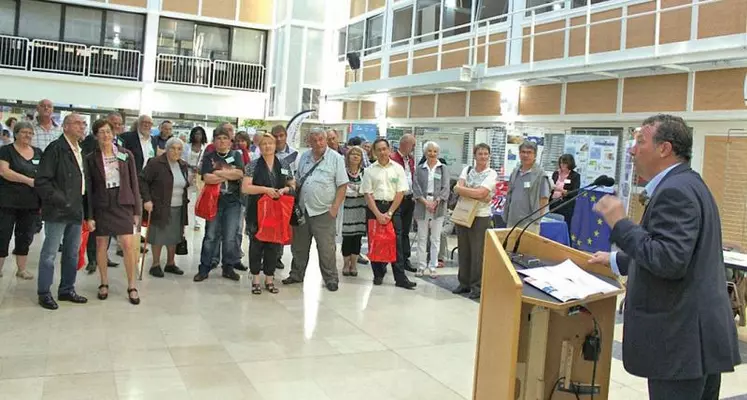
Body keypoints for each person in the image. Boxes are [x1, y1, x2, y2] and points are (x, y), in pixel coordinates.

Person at [589, 115, 740, 400]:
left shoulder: (675, 191)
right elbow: (682, 253)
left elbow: (669, 260)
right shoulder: (689, 183)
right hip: (696, 340)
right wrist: (615, 261)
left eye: (640, 141)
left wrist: (620, 224)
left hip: (679, 342)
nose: (633, 150)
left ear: (664, 148)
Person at [282, 128, 348, 292]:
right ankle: (296, 274)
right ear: (309, 142)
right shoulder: (304, 156)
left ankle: (331, 278)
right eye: (314, 140)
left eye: (321, 140)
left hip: (324, 212)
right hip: (303, 210)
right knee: (299, 246)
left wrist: (334, 208)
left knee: (326, 248)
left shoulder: (336, 159)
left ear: (325, 140)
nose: (318, 143)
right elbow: (297, 180)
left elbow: (342, 185)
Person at [35, 113, 89, 310]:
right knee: (49, 253)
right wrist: (61, 200)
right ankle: (44, 292)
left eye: (83, 124)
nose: (81, 126)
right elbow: (42, 181)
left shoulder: (79, 150)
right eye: (77, 123)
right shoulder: (55, 148)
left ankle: (67, 289)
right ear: (65, 126)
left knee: (72, 253)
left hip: (76, 209)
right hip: (58, 210)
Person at [84, 119, 142, 305]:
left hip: (123, 203)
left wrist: (136, 210)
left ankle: (132, 285)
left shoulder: (126, 155)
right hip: (102, 204)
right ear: (96, 136)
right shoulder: (90, 158)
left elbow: (134, 183)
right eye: (101, 132)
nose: (106, 135)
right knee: (101, 244)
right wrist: (90, 215)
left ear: (113, 133)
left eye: (108, 131)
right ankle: (103, 282)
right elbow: (90, 189)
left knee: (127, 244)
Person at [360, 138, 417, 290]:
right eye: (378, 150)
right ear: (374, 152)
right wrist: (378, 214)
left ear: (389, 149)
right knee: (376, 242)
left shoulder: (397, 168)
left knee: (396, 242)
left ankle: (400, 278)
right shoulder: (369, 170)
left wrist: (390, 212)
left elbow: (401, 191)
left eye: (384, 149)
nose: (382, 152)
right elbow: (368, 194)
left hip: (394, 207)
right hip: (374, 209)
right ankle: (378, 274)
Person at [242, 132, 295, 295]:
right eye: (264, 144)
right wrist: (265, 190)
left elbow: (292, 184)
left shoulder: (284, 164)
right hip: (257, 210)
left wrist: (285, 189)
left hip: (277, 210)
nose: (267, 146)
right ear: (259, 146)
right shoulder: (252, 165)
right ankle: (256, 279)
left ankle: (270, 279)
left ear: (275, 145)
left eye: (270, 143)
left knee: (274, 245)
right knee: (256, 245)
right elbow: (246, 188)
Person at [193, 124, 245, 282]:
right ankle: (204, 268)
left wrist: (218, 172)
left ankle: (228, 268)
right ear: (214, 141)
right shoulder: (209, 156)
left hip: (233, 201)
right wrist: (229, 174)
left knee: (230, 236)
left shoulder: (236, 155)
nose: (222, 141)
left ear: (230, 142)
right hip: (214, 200)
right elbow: (207, 178)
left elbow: (240, 173)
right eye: (218, 139)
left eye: (225, 139)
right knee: (210, 235)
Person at [452, 143, 498, 299]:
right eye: (480, 154)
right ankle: (463, 283)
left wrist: (465, 191)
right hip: (464, 214)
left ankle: (476, 286)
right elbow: (459, 187)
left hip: (481, 216)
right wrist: (476, 194)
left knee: (477, 252)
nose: (483, 157)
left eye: (486, 154)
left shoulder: (491, 174)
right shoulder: (467, 169)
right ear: (475, 155)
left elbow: (482, 192)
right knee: (464, 249)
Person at [141, 137, 189, 278]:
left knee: (174, 236)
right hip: (160, 205)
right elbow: (142, 180)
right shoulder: (155, 163)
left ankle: (170, 263)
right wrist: (147, 199)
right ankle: (155, 264)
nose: (176, 151)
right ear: (166, 149)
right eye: (172, 148)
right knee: (158, 236)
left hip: (178, 206)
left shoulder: (183, 165)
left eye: (179, 149)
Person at [82, 112, 124, 273]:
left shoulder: (121, 143)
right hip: (96, 192)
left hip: (115, 194)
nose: (115, 126)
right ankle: (92, 259)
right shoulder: (90, 144)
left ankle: (104, 257)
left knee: (107, 229)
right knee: (95, 230)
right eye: (113, 123)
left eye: (118, 124)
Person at [0, 121, 42, 280]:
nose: (28, 135)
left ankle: (21, 269)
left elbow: (42, 174)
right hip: (7, 202)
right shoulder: (6, 150)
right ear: (16, 133)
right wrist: (28, 181)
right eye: (24, 132)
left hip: (30, 203)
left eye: (30, 133)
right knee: (2, 235)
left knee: (25, 236)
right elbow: (4, 172)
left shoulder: (38, 152)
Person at [412, 141, 450, 278]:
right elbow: (416, 188)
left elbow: (446, 188)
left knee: (435, 238)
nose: (432, 154)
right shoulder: (419, 168)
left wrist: (436, 202)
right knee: (422, 238)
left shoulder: (443, 168)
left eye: (435, 151)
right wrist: (425, 202)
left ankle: (433, 266)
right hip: (422, 205)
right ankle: (421, 266)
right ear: (425, 152)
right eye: (429, 151)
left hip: (438, 206)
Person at [503, 141, 550, 232]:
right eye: (523, 152)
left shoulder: (540, 175)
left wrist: (536, 220)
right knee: (509, 246)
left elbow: (544, 199)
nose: (525, 155)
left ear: (535, 155)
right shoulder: (515, 172)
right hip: (512, 220)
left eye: (529, 152)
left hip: (529, 223)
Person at [270, 125, 297, 270]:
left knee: (281, 227)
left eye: (281, 135)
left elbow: (295, 176)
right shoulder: (264, 150)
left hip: (285, 197)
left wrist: (288, 189)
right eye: (276, 136)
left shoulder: (294, 154)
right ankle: (265, 257)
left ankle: (277, 257)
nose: (279, 138)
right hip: (266, 195)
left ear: (286, 136)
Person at [389, 134, 417, 272]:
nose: (414, 148)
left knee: (406, 231)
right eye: (413, 145)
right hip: (396, 199)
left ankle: (405, 259)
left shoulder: (410, 160)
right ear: (405, 144)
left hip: (409, 199)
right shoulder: (393, 159)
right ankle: (395, 259)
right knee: (396, 231)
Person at [341, 146, 367, 277]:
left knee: (357, 238)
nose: (355, 156)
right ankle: (346, 264)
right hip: (346, 209)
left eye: (358, 154)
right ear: (348, 157)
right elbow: (342, 189)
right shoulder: (343, 172)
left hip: (360, 209)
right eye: (353, 154)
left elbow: (366, 189)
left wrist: (353, 189)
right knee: (347, 238)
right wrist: (355, 190)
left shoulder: (365, 172)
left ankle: (354, 264)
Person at [550, 154, 581, 235]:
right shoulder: (556, 173)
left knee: (564, 227)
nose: (562, 165)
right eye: (561, 163)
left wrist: (561, 190)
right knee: (552, 226)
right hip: (553, 203)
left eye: (564, 163)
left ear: (570, 164)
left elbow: (574, 193)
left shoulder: (575, 176)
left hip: (565, 205)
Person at [184, 126, 207, 231]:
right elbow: (181, 159)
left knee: (199, 199)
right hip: (188, 174)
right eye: (196, 134)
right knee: (186, 198)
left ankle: (197, 221)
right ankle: (186, 219)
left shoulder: (205, 148)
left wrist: (201, 168)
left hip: (199, 176)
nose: (198, 136)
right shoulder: (186, 147)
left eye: (200, 134)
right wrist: (190, 166)